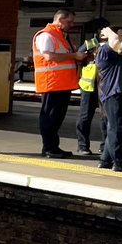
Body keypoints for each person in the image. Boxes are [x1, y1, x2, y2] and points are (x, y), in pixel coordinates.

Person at [31, 8, 86, 158]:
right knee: (50, 116)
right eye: (70, 21)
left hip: (61, 84)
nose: (72, 24)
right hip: (52, 83)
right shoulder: (47, 35)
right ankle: (49, 148)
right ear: (60, 19)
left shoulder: (60, 36)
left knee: (56, 117)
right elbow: (49, 57)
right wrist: (74, 55)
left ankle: (53, 147)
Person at [95, 19, 122, 173]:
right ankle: (120, 162)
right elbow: (119, 47)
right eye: (121, 33)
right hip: (116, 93)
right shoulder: (107, 50)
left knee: (119, 128)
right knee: (118, 129)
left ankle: (106, 160)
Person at [74, 17, 109, 156]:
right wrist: (87, 56)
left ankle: (105, 146)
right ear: (98, 31)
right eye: (104, 28)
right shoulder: (90, 44)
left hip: (105, 85)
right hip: (89, 85)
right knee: (85, 116)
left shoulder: (112, 44)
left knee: (105, 117)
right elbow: (78, 57)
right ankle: (82, 146)